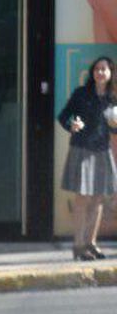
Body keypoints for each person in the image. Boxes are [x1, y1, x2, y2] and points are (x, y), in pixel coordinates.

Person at [57, 55, 116, 260]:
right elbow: (64, 116)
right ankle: (78, 245)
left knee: (98, 198)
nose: (100, 72)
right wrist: (72, 124)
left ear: (110, 73)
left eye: (104, 69)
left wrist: (115, 125)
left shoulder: (112, 98)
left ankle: (91, 242)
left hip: (102, 150)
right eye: (97, 69)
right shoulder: (81, 93)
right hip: (82, 148)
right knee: (82, 198)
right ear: (93, 73)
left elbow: (114, 129)